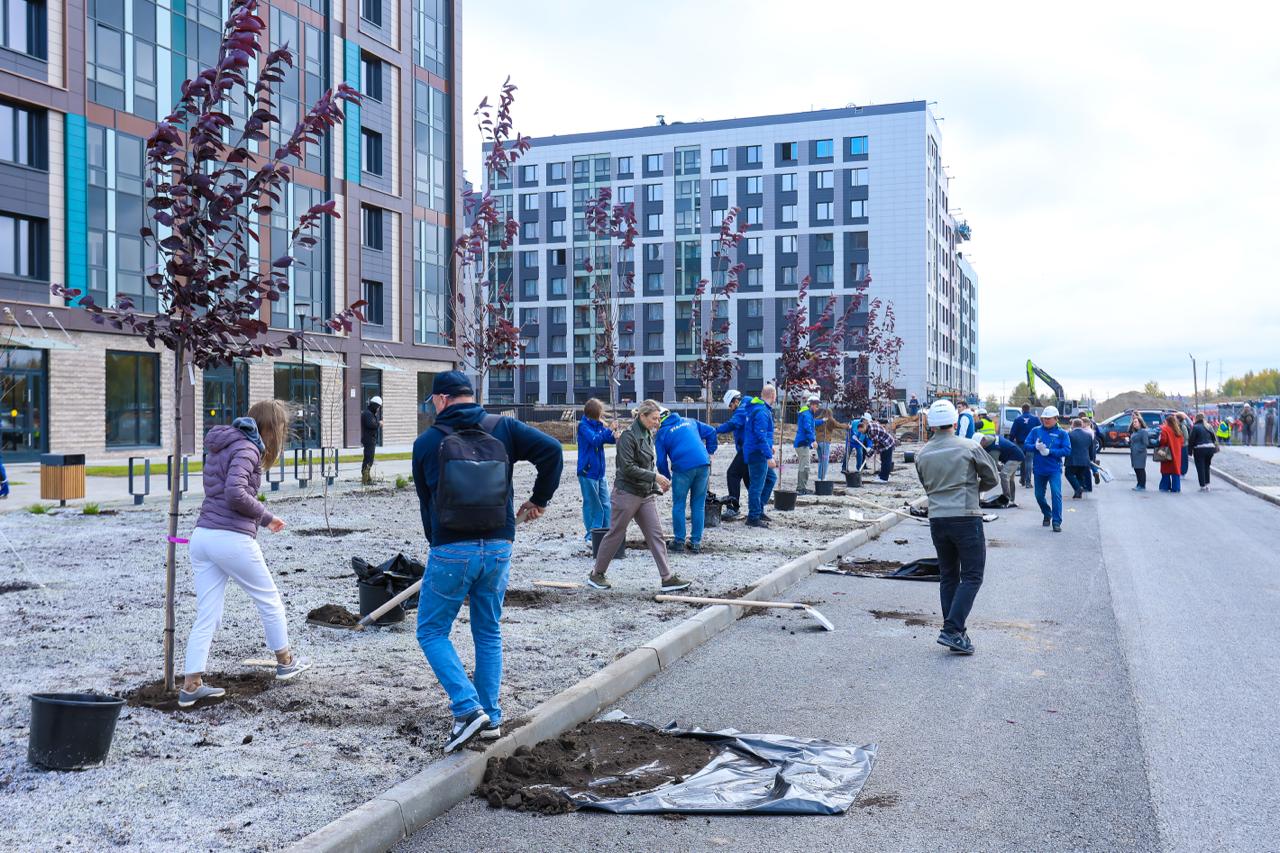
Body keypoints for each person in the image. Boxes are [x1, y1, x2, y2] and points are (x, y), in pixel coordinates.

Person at [412, 371, 564, 751]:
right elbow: (552, 452)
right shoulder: (503, 428)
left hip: (451, 549)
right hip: (498, 545)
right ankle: (491, 718)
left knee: (431, 631)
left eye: (434, 402)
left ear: (442, 399)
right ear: (470, 395)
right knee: (488, 630)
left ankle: (467, 709)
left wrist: (438, 544)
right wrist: (539, 499)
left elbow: (426, 503)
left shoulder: (427, 442)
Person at [180, 400, 310, 709]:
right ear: (270, 428)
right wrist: (267, 517)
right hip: (230, 538)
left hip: (203, 537)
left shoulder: (223, 444)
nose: (281, 435)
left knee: (207, 614)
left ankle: (191, 684)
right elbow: (235, 492)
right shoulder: (249, 448)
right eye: (280, 429)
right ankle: (286, 662)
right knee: (269, 599)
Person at [914, 400, 1000, 656]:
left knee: (949, 575)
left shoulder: (922, 454)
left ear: (931, 425)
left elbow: (927, 486)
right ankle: (952, 630)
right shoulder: (969, 447)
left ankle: (955, 631)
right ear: (954, 422)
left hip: (938, 519)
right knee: (972, 576)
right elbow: (992, 478)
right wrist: (972, 490)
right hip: (965, 516)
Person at [588, 400, 692, 592]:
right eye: (654, 419)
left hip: (645, 494)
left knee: (656, 535)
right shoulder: (628, 436)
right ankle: (596, 574)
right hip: (626, 494)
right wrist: (655, 477)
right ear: (642, 416)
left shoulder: (647, 433)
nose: (657, 423)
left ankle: (667, 578)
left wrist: (655, 485)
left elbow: (647, 465)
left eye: (658, 419)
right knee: (616, 534)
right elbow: (627, 468)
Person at [655, 408, 717, 553]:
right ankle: (696, 543)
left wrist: (666, 479)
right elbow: (712, 431)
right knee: (698, 504)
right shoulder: (690, 421)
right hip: (703, 464)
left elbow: (661, 462)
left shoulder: (662, 433)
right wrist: (710, 452)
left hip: (683, 468)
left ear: (659, 419)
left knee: (679, 504)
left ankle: (679, 541)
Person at [1022, 405, 1071, 532]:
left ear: (1056, 418)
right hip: (1039, 469)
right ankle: (1047, 513)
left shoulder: (1062, 433)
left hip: (1054, 469)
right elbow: (1026, 445)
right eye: (1044, 418)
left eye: (1049, 418)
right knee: (1039, 496)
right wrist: (1035, 447)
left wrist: (1050, 452)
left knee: (1056, 494)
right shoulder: (1035, 431)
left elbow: (1067, 450)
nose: (1046, 420)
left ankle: (1056, 521)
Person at [576, 398, 617, 542]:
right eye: (600, 412)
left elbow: (607, 438)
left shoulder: (598, 425)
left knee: (606, 504)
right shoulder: (583, 426)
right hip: (587, 472)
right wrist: (609, 430)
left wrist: (614, 435)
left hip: (600, 473)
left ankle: (607, 533)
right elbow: (595, 440)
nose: (602, 415)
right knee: (593, 505)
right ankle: (592, 536)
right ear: (595, 413)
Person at [744, 385, 779, 528]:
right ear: (773, 396)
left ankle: (759, 509)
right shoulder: (762, 412)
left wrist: (769, 446)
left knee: (771, 478)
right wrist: (769, 456)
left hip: (757, 451)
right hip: (757, 453)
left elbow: (760, 434)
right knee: (756, 486)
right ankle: (753, 517)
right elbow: (760, 435)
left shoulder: (760, 409)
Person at [715, 390, 751, 518]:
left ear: (736, 401)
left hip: (747, 448)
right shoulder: (748, 406)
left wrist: (715, 430)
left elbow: (732, 424)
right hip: (749, 448)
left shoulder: (742, 409)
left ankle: (733, 508)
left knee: (733, 474)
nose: (730, 409)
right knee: (748, 479)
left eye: (730, 405)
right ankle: (757, 508)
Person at [979, 432, 1023, 505]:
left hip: (1015, 457)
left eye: (979, 444)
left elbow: (994, 464)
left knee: (1004, 475)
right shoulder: (990, 438)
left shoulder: (993, 447)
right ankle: (1011, 500)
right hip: (1013, 456)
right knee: (1010, 479)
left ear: (983, 440)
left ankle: (1007, 499)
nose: (979, 447)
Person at [793, 395, 823, 495]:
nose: (817, 408)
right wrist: (813, 440)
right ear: (812, 405)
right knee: (805, 466)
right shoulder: (806, 414)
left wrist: (822, 421)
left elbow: (813, 423)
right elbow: (807, 428)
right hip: (802, 443)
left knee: (804, 465)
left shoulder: (808, 414)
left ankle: (802, 487)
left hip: (802, 443)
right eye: (817, 406)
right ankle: (801, 488)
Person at [857, 416, 897, 481]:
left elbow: (875, 445)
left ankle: (884, 479)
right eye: (860, 432)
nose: (862, 433)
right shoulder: (869, 426)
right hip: (883, 444)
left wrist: (868, 455)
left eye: (862, 431)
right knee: (883, 461)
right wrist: (870, 454)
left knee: (886, 461)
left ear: (864, 427)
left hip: (887, 444)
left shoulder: (871, 431)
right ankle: (881, 476)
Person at [815, 406, 848, 483]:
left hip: (817, 441)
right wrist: (847, 426)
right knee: (825, 460)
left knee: (820, 460)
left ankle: (819, 477)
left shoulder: (817, 420)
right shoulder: (830, 420)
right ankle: (823, 477)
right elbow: (839, 425)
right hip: (825, 441)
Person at [1010, 404, 1039, 488]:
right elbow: (1040, 430)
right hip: (1031, 444)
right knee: (1029, 462)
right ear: (1029, 409)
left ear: (1022, 410)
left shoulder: (1017, 419)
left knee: (1022, 462)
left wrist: (1011, 443)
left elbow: (1012, 433)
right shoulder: (1035, 419)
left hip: (1020, 444)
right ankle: (1028, 482)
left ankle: (1022, 480)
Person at [1065, 418, 1094, 499]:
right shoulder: (1088, 435)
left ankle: (1078, 488)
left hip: (1072, 459)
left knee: (1068, 474)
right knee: (1079, 475)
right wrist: (1091, 459)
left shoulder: (1069, 435)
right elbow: (1091, 449)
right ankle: (1078, 492)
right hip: (1085, 460)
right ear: (1081, 425)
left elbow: (1066, 447)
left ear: (1073, 425)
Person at [1189, 413, 1218, 491]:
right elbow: (1214, 438)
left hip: (1200, 449)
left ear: (1196, 419)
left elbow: (1192, 439)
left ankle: (1202, 485)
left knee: (1200, 467)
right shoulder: (1209, 426)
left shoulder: (1195, 427)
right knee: (1207, 466)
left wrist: (1190, 451)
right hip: (1210, 448)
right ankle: (1207, 484)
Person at [1157, 413, 1185, 493]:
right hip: (1177, 453)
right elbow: (1182, 442)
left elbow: (1163, 440)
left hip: (1166, 452)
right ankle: (1176, 488)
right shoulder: (1178, 430)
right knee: (1175, 470)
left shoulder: (1165, 429)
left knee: (1165, 470)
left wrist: (1158, 442)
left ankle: (1165, 486)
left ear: (1167, 421)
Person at [360, 395, 383, 485]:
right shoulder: (368, 414)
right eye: (378, 407)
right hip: (368, 439)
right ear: (375, 405)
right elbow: (371, 425)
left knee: (369, 459)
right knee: (368, 459)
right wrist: (379, 424)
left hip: (370, 439)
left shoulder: (369, 413)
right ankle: (366, 479)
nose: (378, 409)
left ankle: (367, 477)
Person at [1129, 414, 1151, 491]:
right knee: (1136, 469)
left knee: (1140, 469)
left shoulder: (1143, 432)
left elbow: (1145, 443)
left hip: (1140, 454)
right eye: (1133, 422)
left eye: (1136, 422)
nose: (1134, 423)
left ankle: (1142, 485)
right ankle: (1138, 484)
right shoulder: (1134, 432)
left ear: (1140, 423)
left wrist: (1138, 450)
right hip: (1134, 453)